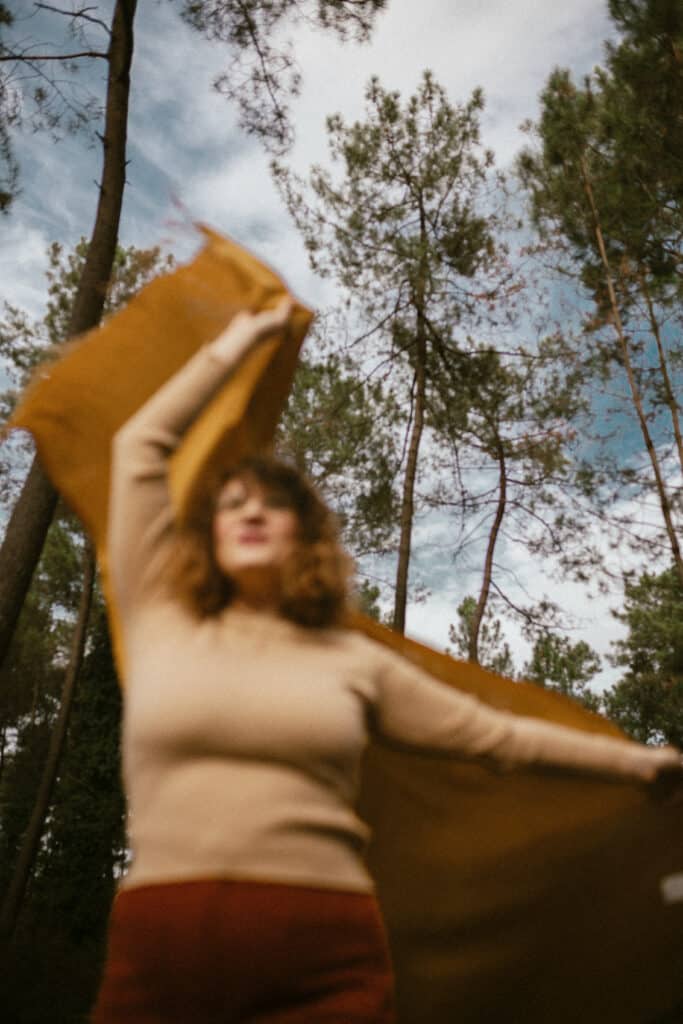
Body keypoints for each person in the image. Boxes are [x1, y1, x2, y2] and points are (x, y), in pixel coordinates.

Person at [91, 298, 681, 1024]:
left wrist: (639, 764)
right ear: (206, 535)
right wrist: (236, 344)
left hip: (323, 944)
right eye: (231, 503)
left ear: (304, 536)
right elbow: (139, 447)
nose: (248, 512)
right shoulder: (160, 617)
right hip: (161, 946)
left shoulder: (349, 659)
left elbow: (494, 737)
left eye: (270, 505)